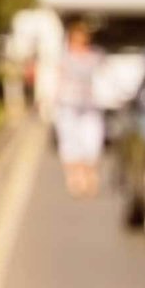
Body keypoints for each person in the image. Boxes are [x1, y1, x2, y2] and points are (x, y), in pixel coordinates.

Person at [54, 20, 106, 197]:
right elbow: (56, 79)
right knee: (70, 141)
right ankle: (75, 178)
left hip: (90, 105)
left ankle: (90, 176)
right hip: (68, 104)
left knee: (91, 140)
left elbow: (104, 78)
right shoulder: (64, 57)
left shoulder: (96, 56)